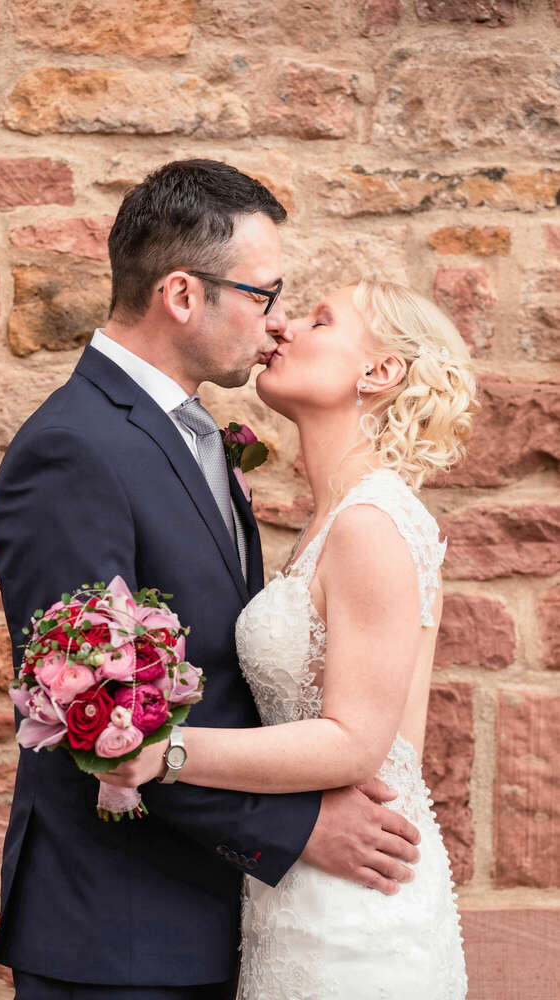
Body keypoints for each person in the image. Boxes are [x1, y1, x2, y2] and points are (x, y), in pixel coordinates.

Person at [0, 162, 421, 999]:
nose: (280, 321)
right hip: (117, 929)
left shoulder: (196, 438)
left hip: (213, 911)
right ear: (183, 295)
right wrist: (295, 827)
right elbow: (90, 719)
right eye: (265, 294)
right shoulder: (73, 451)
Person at [103, 277, 479, 999]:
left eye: (321, 319)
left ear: (378, 372)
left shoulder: (372, 521)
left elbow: (356, 741)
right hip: (297, 884)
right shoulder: (328, 522)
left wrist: (164, 749)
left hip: (357, 907)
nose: (285, 329)